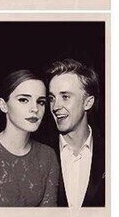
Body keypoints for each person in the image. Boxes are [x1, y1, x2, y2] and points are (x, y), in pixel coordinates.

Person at [0, 69, 59, 207]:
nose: (35, 109)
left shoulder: (47, 156)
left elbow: (49, 212)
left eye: (41, 102)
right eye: (24, 100)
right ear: (3, 105)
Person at [47, 59, 105, 207]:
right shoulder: (40, 154)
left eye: (65, 97)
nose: (55, 106)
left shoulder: (110, 152)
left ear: (88, 102)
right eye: (52, 98)